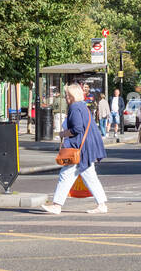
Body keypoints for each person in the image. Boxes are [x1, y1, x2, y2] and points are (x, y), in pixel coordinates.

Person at [42, 83, 108, 214]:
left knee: (65, 175)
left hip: (79, 149)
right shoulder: (83, 107)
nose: (66, 98)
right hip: (87, 147)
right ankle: (102, 204)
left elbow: (77, 129)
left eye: (68, 95)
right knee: (90, 176)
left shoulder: (74, 108)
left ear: (73, 96)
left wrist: (63, 133)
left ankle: (56, 205)